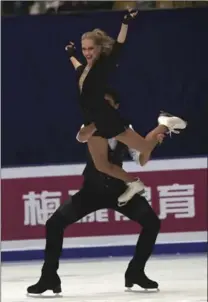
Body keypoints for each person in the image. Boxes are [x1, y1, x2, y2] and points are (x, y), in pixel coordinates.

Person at [27, 94, 162, 295]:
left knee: (152, 223)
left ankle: (136, 272)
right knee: (54, 224)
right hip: (92, 190)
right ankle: (49, 277)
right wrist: (97, 122)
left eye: (108, 104)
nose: (104, 107)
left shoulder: (127, 130)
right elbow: (81, 136)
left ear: (116, 106)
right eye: (101, 103)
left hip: (119, 191)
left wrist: (153, 143)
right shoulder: (90, 126)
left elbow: (141, 158)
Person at [65, 9, 187, 204]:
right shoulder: (85, 69)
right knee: (102, 165)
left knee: (145, 147)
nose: (87, 52)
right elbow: (79, 69)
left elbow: (119, 46)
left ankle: (164, 123)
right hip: (92, 119)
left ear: (99, 49)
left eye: (91, 49)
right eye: (84, 49)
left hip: (106, 118)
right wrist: (71, 55)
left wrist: (125, 23)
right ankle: (134, 183)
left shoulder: (103, 65)